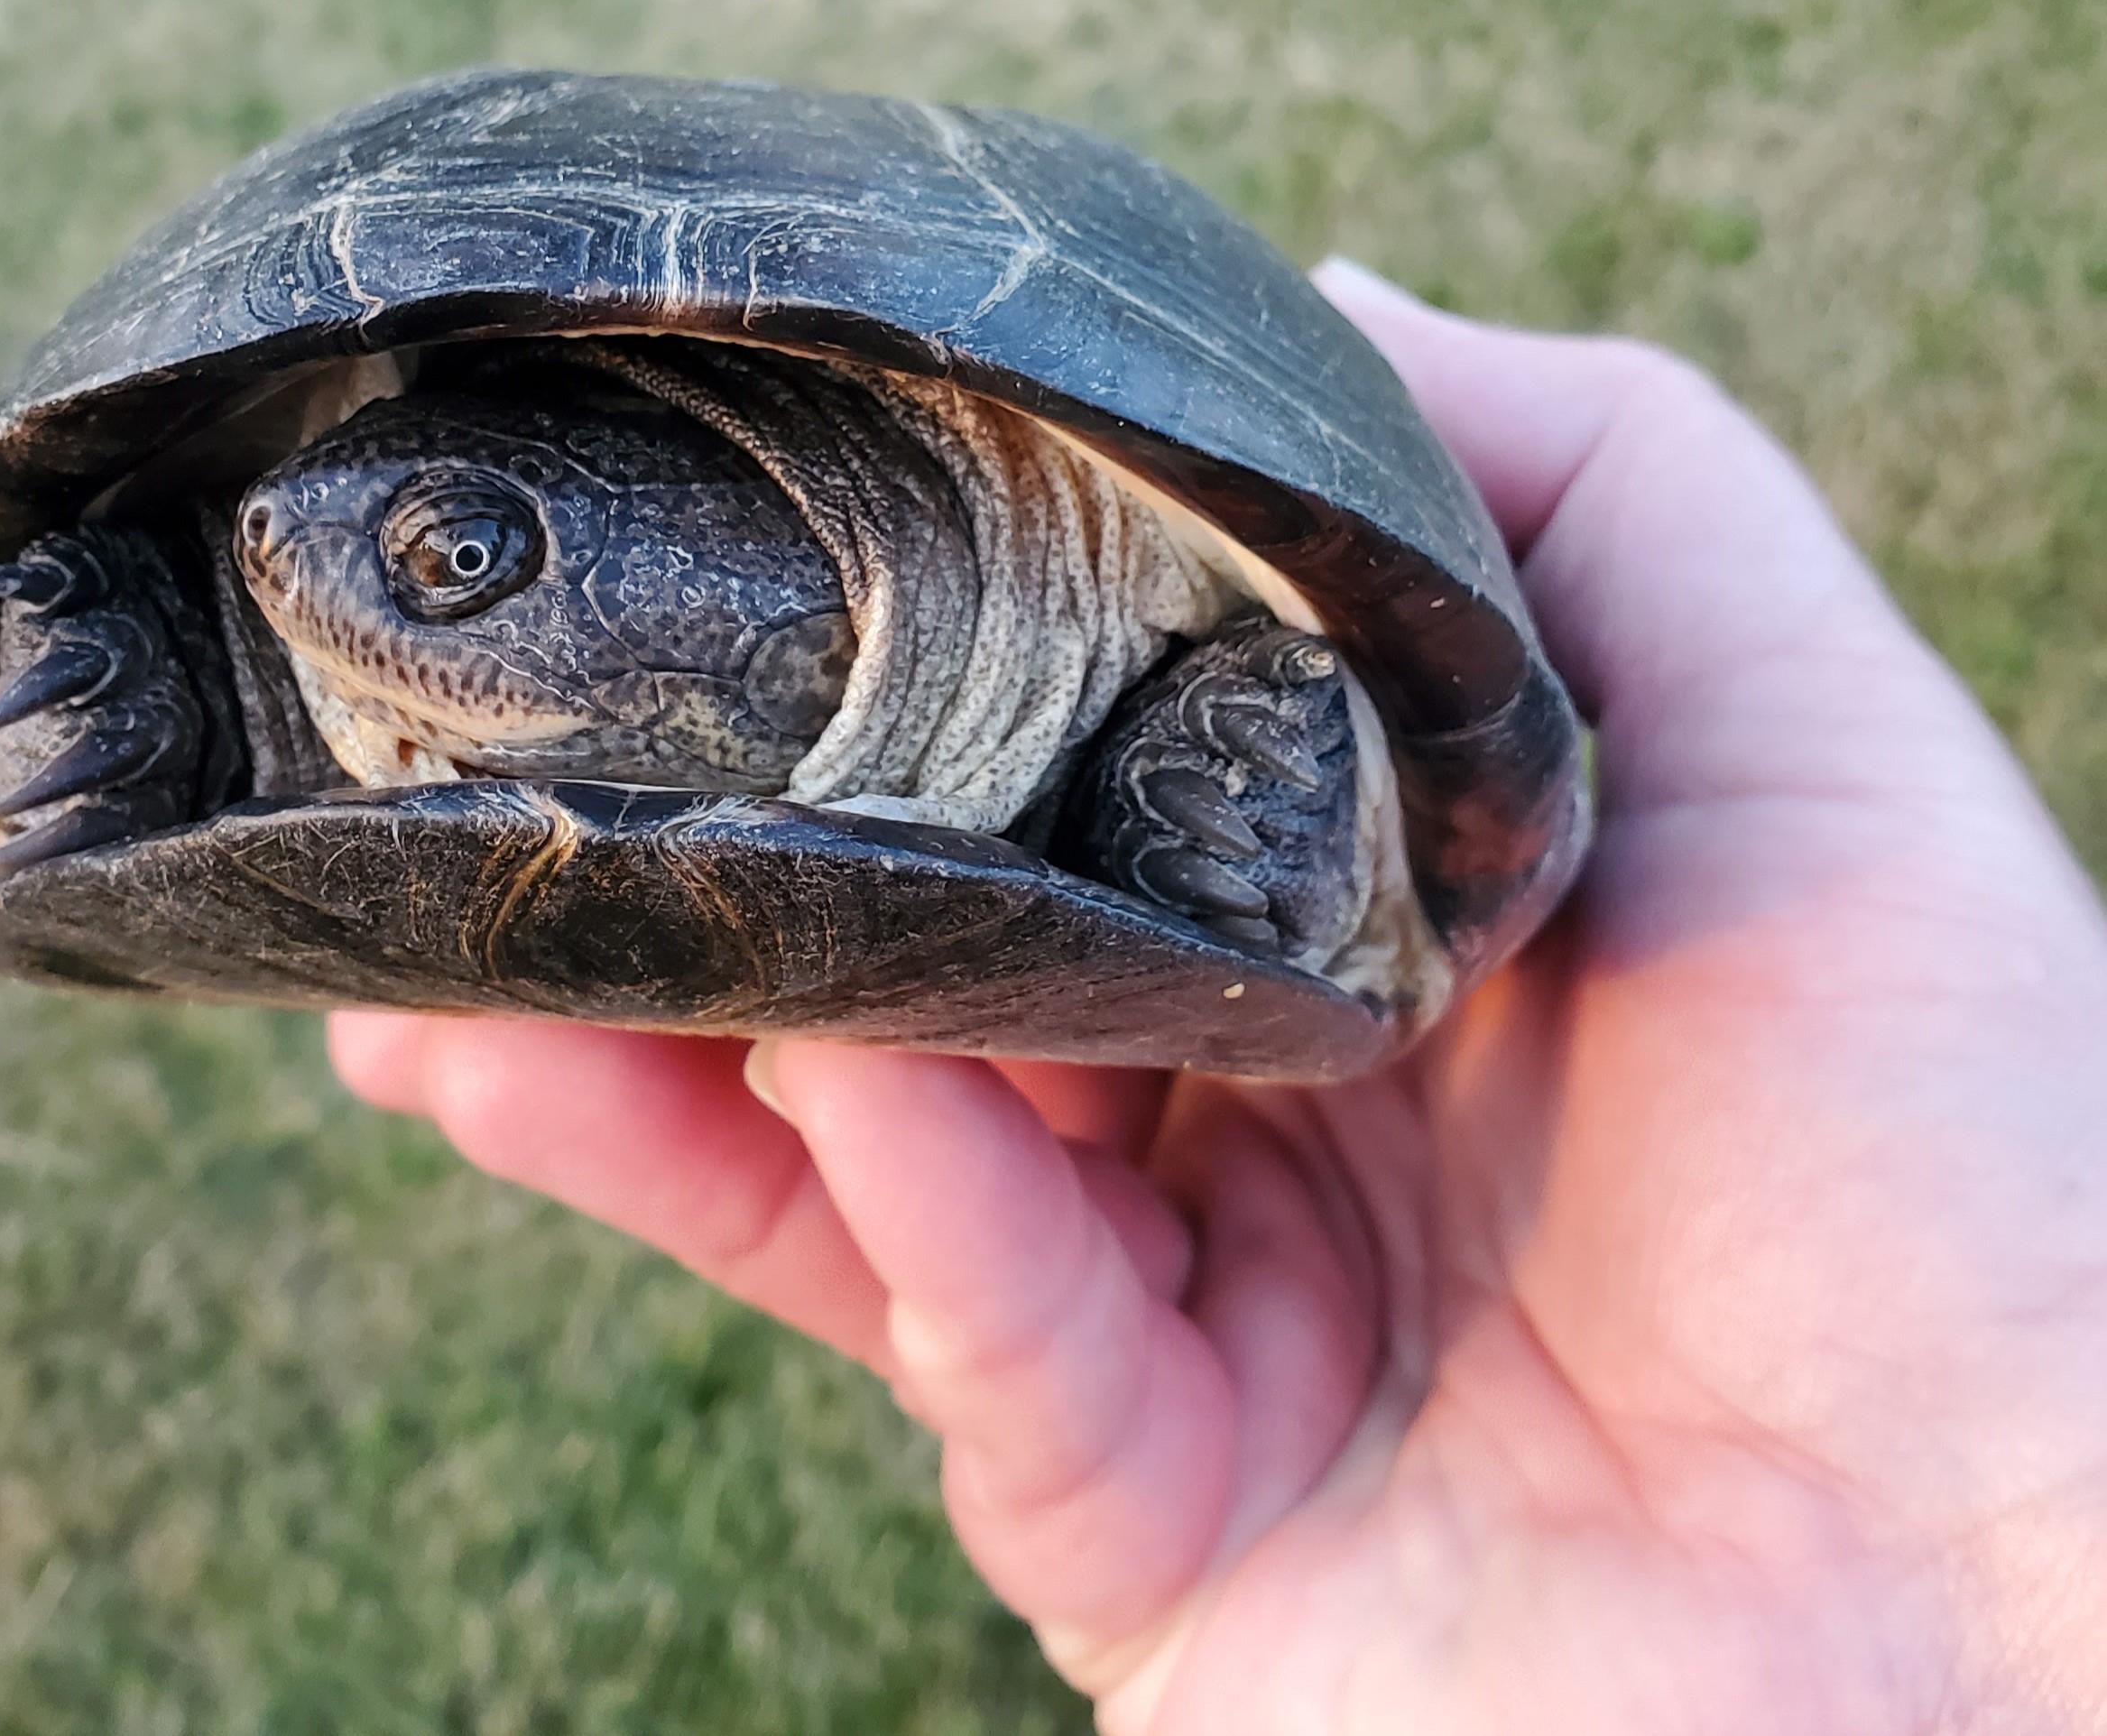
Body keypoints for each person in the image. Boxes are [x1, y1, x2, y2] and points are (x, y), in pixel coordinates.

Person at [326, 259, 2107, 1732]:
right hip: (1318, 1452)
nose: (291, 555)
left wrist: (1981, 1530)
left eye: (459, 559)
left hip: (1402, 1323)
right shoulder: (297, 561)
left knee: (1243, 808)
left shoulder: (1195, 615)